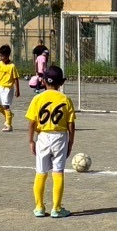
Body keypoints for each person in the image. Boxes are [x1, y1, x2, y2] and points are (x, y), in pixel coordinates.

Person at [27, 64, 76, 218]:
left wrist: (31, 140)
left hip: (43, 137)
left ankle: (39, 207)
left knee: (41, 172)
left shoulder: (37, 98)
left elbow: (32, 123)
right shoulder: (65, 99)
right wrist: (70, 143)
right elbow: (71, 124)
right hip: (60, 137)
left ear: (43, 81)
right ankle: (57, 208)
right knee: (58, 172)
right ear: (62, 82)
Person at [0, 44, 21, 132]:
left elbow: (16, 79)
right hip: (0, 87)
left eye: (2, 56)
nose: (0, 58)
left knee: (6, 106)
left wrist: (17, 90)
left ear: (8, 55)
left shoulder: (12, 66)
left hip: (8, 89)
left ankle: (9, 125)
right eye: (0, 56)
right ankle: (8, 115)